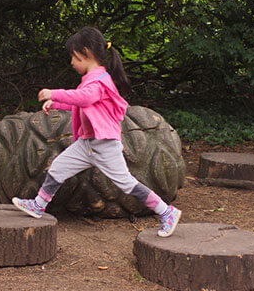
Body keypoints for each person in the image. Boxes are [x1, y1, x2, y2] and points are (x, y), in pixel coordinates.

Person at [12, 26, 182, 237]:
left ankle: (167, 212)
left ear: (86, 53)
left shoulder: (100, 80)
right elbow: (81, 104)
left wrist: (53, 93)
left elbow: (84, 98)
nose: (71, 63)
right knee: (58, 168)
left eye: (73, 57)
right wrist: (55, 103)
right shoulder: (90, 81)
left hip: (104, 145)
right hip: (87, 144)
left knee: (126, 183)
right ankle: (38, 205)